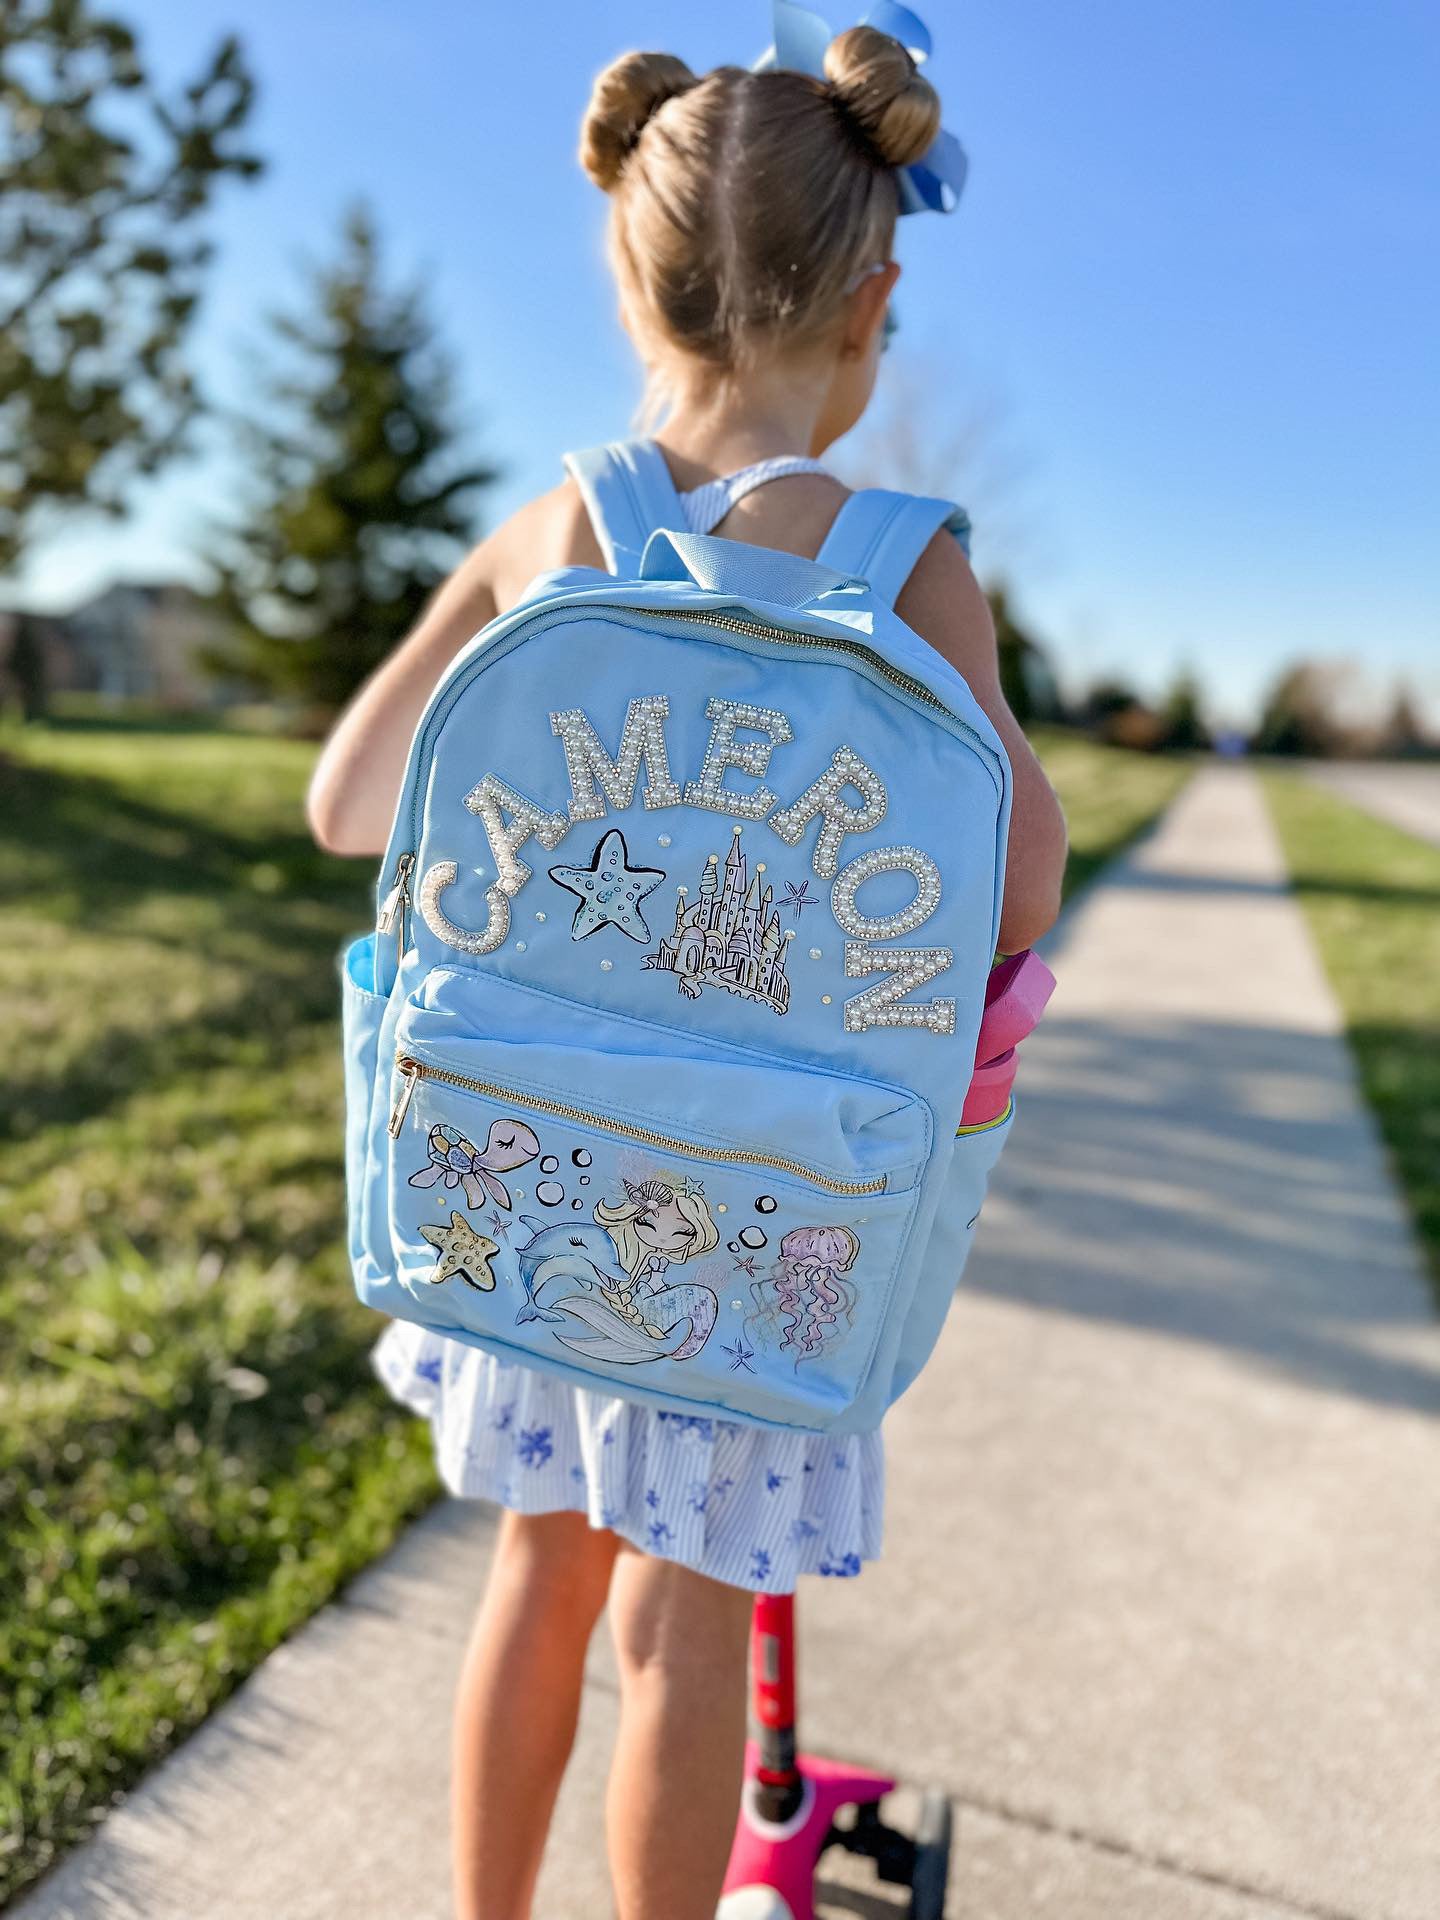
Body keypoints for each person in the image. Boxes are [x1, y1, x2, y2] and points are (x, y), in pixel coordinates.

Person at [307, 24, 1067, 1920]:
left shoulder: (555, 521)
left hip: (522, 1187)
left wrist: (501, 619)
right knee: (682, 1631)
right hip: (759, 1226)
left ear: (626, 273)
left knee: (534, 1586)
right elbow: (1023, 882)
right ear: (875, 301)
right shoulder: (907, 563)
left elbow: (347, 805)